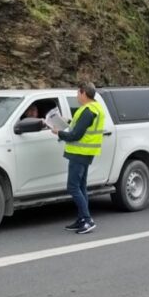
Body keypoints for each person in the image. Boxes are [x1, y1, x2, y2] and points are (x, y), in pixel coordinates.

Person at [51, 82, 105, 234]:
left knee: (73, 186)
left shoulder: (88, 111)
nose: (76, 97)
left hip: (80, 152)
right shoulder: (96, 108)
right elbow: (79, 128)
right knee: (81, 186)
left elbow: (76, 135)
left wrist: (58, 133)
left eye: (77, 94)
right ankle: (82, 219)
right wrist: (65, 123)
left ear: (83, 93)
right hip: (86, 152)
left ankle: (87, 220)